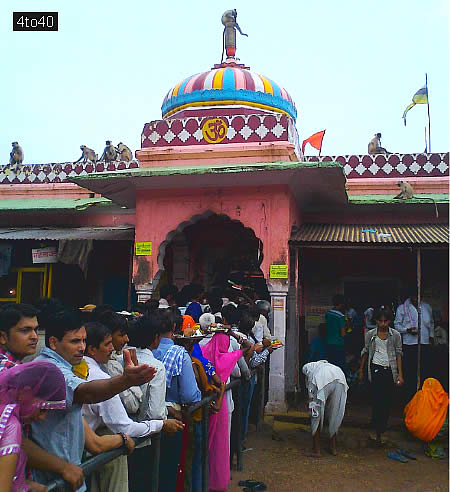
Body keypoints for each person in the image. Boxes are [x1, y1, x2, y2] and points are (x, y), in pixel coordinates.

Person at [31, 307, 156, 491]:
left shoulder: (67, 366)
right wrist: (125, 381)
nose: (81, 347)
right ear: (53, 342)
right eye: (75, 341)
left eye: (83, 340)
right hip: (53, 481)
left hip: (66, 476)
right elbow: (85, 392)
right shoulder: (50, 370)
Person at [83, 321, 180, 492]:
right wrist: (161, 424)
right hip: (113, 444)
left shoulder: (103, 365)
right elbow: (129, 418)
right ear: (91, 348)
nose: (112, 348)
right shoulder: (99, 374)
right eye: (107, 344)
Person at [0, 303, 84, 491]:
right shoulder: (7, 373)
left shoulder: (19, 367)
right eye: (25, 330)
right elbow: (11, 437)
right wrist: (62, 467)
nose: (34, 337)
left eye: (36, 329)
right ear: (3, 337)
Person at [0, 360, 67, 492]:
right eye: (42, 409)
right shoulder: (10, 426)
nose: (43, 418)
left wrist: (23, 484)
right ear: (24, 393)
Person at [152, 309, 197, 492]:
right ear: (173, 327)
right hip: (174, 417)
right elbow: (189, 394)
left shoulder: (143, 351)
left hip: (145, 419)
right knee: (172, 468)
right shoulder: (179, 354)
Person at [359, 306, 404, 444]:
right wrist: (361, 370)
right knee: (377, 400)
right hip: (375, 369)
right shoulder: (370, 334)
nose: (383, 324)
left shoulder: (395, 335)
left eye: (385, 321)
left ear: (389, 321)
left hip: (389, 370)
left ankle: (381, 430)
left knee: (386, 401)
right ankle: (376, 431)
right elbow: (365, 352)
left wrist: (400, 375)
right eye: (380, 321)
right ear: (376, 321)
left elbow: (398, 354)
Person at [99, 311, 143, 414]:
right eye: (121, 335)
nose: (126, 339)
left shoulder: (115, 361)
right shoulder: (109, 366)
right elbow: (133, 406)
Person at [302, 360, 348, 457]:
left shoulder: (311, 371)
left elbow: (311, 396)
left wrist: (310, 402)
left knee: (316, 414)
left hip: (323, 379)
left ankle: (316, 450)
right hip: (340, 378)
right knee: (334, 414)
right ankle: (333, 447)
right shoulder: (327, 366)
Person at [394, 290, 434, 401]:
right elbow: (397, 325)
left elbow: (431, 323)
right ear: (411, 296)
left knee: (424, 370)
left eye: (419, 296)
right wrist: (407, 330)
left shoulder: (426, 307)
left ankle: (423, 397)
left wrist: (431, 336)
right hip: (410, 343)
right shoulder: (402, 308)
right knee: (410, 371)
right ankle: (410, 397)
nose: (417, 298)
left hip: (424, 342)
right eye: (415, 296)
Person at [325, 295, 348, 374]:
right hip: (338, 344)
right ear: (341, 304)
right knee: (339, 367)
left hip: (328, 343)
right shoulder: (341, 316)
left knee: (331, 366)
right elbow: (343, 333)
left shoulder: (328, 314)